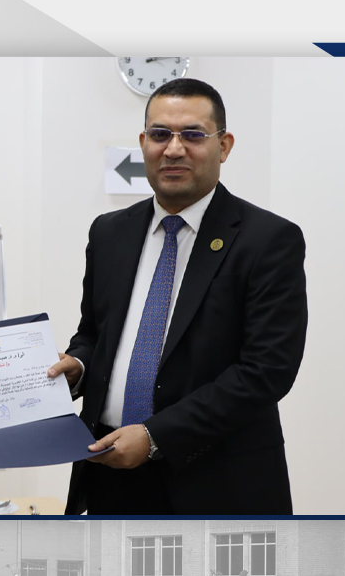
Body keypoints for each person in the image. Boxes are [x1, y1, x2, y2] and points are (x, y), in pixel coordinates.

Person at [49, 78, 308, 514]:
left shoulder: (268, 240)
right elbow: (95, 334)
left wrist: (156, 436)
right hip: (109, 472)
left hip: (217, 484)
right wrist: (78, 366)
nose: (173, 149)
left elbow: (266, 371)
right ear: (143, 144)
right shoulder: (109, 233)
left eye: (192, 135)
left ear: (223, 146)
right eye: (160, 134)